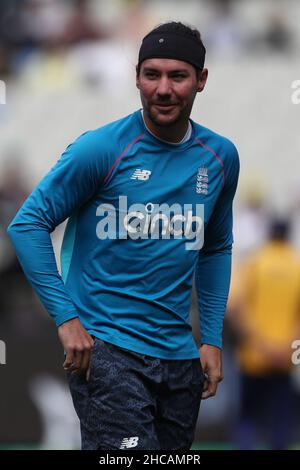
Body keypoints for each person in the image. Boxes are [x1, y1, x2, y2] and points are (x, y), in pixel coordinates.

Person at [7, 21, 240, 450]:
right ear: (136, 76)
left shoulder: (220, 157)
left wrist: (210, 338)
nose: (163, 89)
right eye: (152, 74)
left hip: (179, 356)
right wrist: (67, 319)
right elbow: (26, 225)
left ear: (201, 80)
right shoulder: (101, 149)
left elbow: (216, 247)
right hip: (107, 348)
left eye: (178, 75)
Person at [229, 217, 300, 449]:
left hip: (254, 355)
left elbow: (235, 306)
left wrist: (260, 343)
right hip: (286, 357)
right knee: (282, 420)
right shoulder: (296, 264)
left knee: (248, 416)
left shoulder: (255, 262)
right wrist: (287, 345)